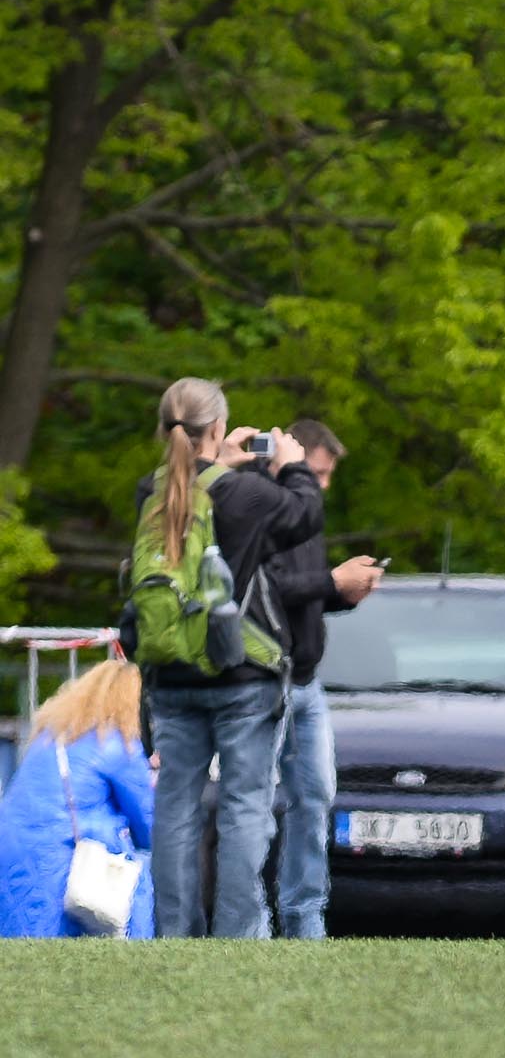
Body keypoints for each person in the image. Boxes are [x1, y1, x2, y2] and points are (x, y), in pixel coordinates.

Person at [129, 377, 325, 939]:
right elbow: (305, 515)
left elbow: (194, 485)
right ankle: (235, 935)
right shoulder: (245, 495)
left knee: (176, 805)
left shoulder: (150, 492)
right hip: (239, 673)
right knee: (243, 804)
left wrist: (220, 462)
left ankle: (175, 932)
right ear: (217, 426)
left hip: (170, 674)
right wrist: (292, 465)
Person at [266, 418, 385, 940]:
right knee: (256, 807)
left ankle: (305, 922)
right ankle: (253, 923)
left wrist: (341, 592)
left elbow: (303, 594)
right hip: (267, 683)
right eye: (317, 473)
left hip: (307, 682)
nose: (323, 485)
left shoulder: (307, 515)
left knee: (315, 801)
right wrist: (331, 580)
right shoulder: (262, 509)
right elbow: (263, 592)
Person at [0, 659, 155, 938]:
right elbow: (150, 827)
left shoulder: (49, 736)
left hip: (14, 855)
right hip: (65, 862)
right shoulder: (117, 745)